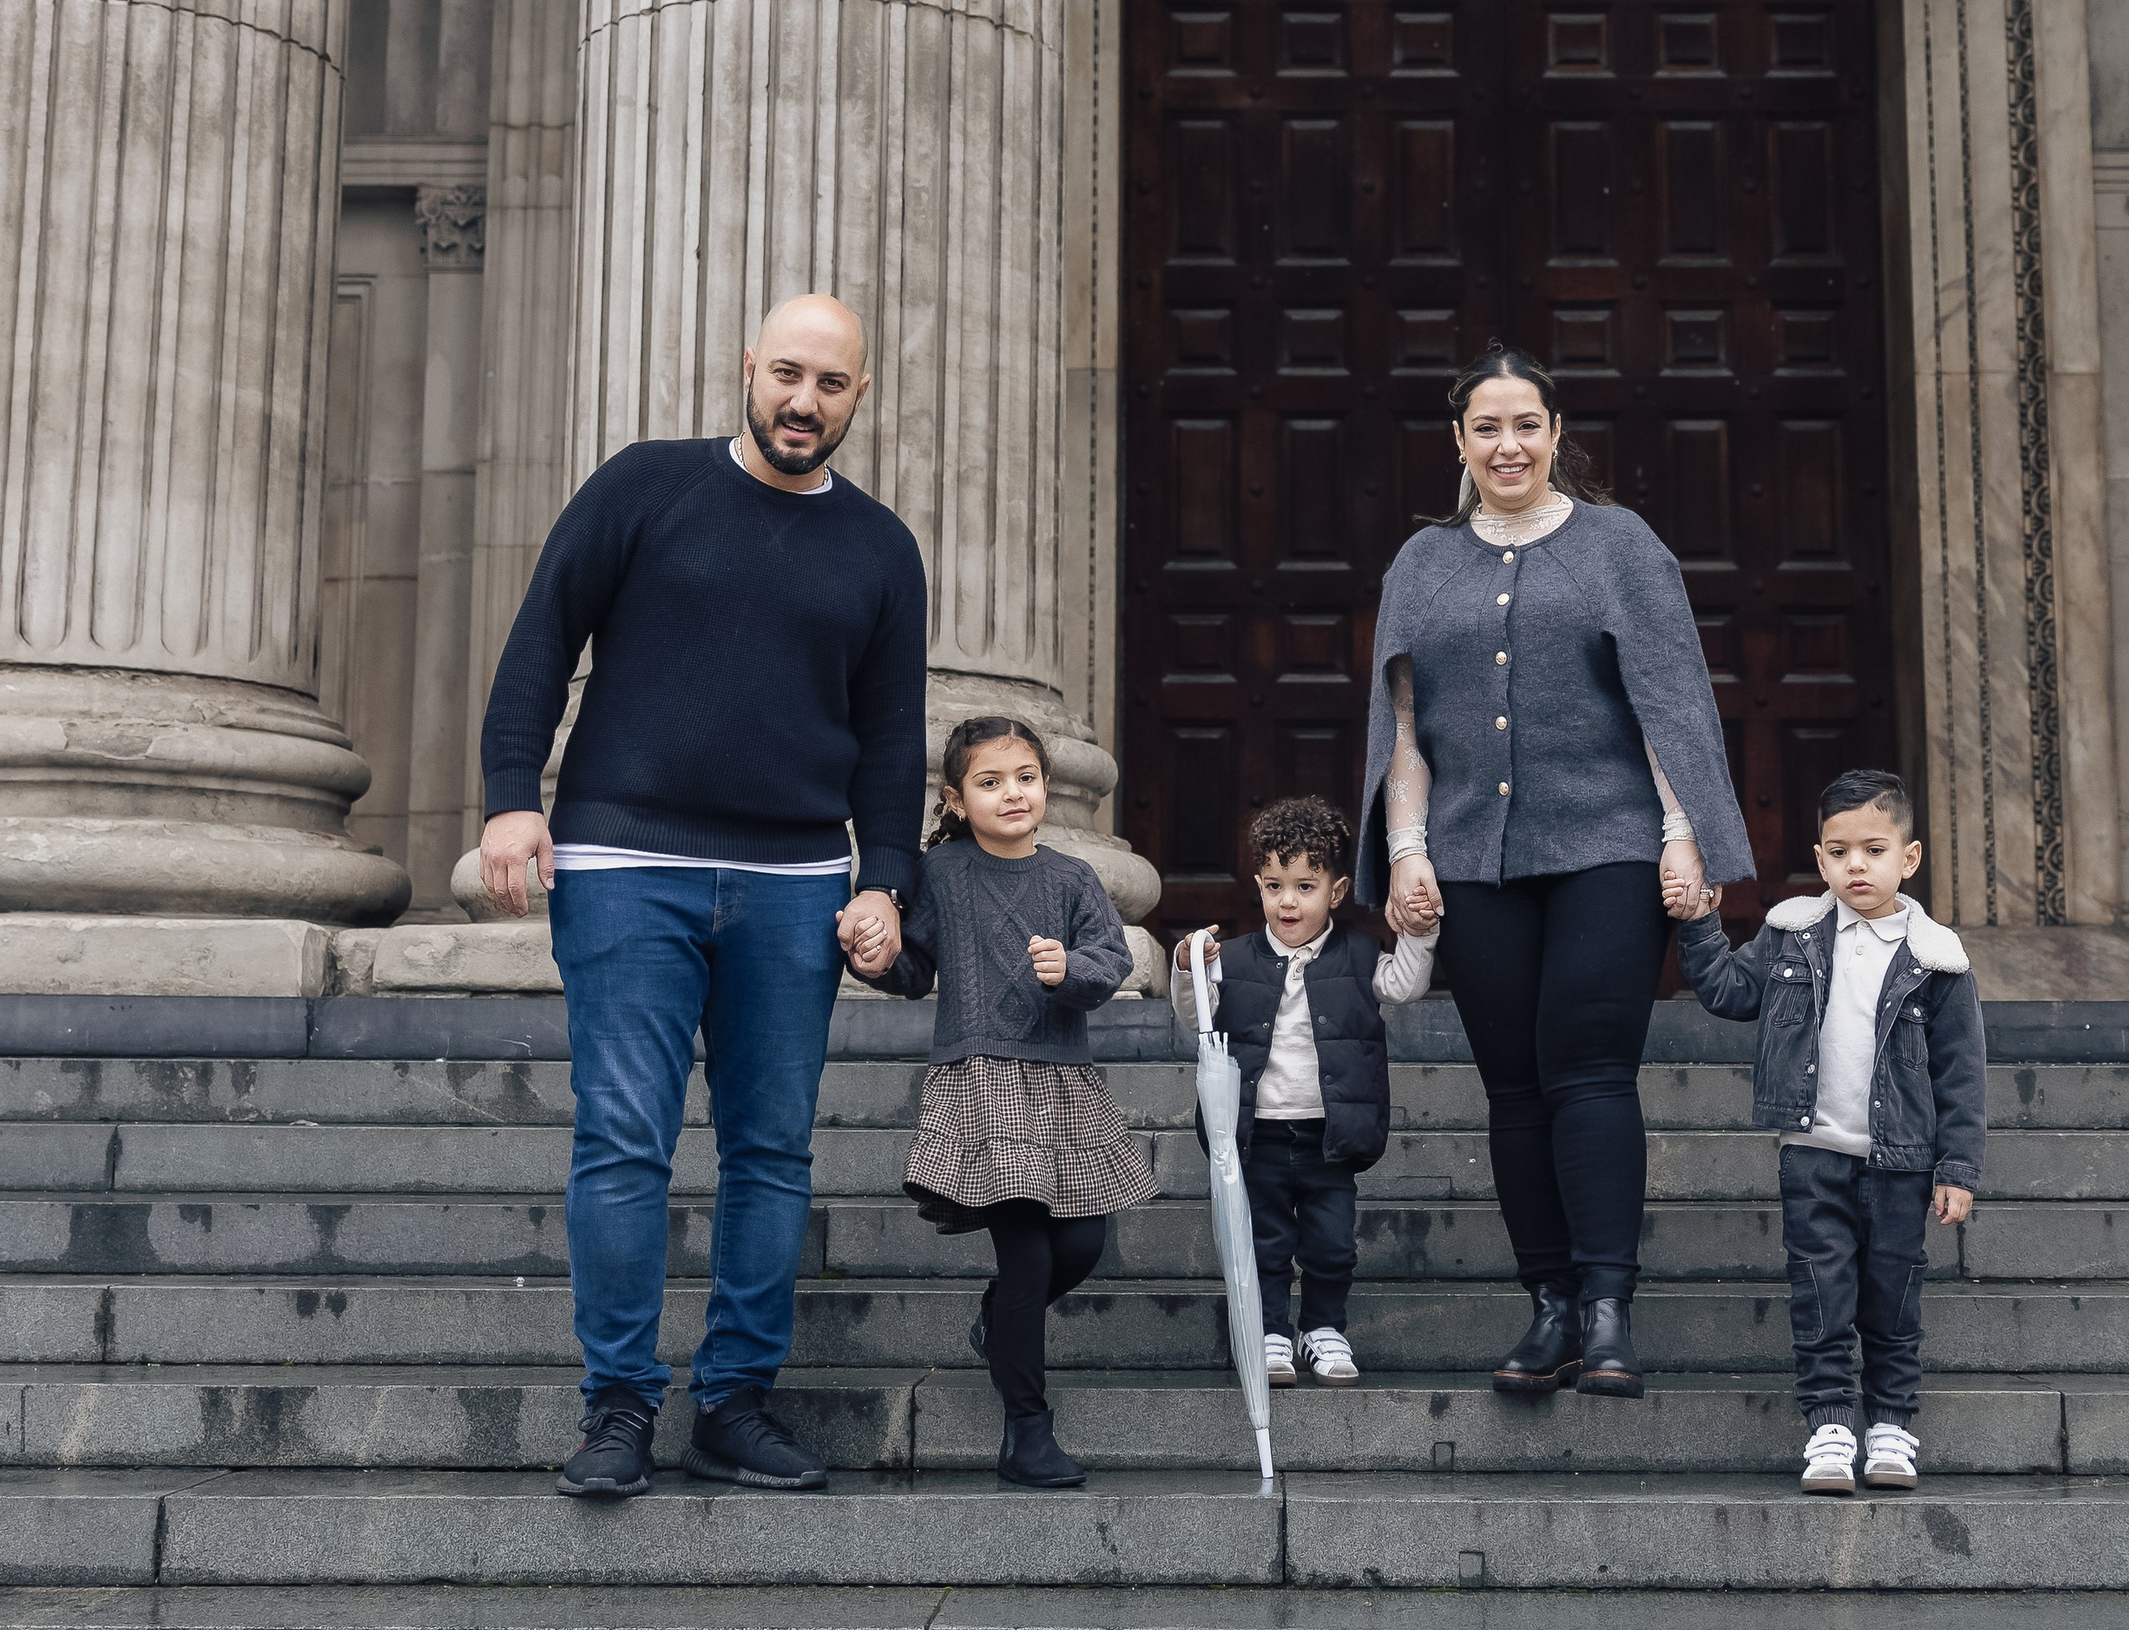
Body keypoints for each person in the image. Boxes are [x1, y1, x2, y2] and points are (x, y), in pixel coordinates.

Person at [477, 293, 926, 1504]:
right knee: (623, 1139)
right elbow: (539, 641)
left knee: (770, 1151)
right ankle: (618, 1405)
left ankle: (733, 1403)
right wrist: (513, 792)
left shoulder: (881, 548)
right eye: (787, 374)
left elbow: (891, 739)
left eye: (830, 384)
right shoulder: (644, 486)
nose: (803, 402)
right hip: (627, 863)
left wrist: (885, 876)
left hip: (794, 885)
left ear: (858, 396)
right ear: (747, 369)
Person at [1357, 346, 1753, 1400]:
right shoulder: (1421, 564)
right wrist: (1405, 853)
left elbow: (1666, 699)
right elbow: (1403, 725)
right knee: (1515, 1088)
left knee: (1586, 1069)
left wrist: (1683, 833)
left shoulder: (1618, 544)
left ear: (1554, 431)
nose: (1507, 445)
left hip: (1609, 848)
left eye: (1525, 424)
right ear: (1458, 442)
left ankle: (1609, 1308)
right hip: (1472, 861)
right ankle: (1549, 1308)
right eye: (1485, 428)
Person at [850, 716, 1151, 1491]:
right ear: (956, 796)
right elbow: (914, 967)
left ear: (1046, 786)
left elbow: (1112, 960)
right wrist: (877, 958)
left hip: (1062, 1082)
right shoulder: (941, 874)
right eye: (990, 781)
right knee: (1025, 1251)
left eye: (1025, 777)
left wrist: (1070, 967)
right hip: (984, 1080)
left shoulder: (1073, 877)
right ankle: (1027, 1430)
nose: (1012, 793)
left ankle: (996, 1323)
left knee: (1079, 1246)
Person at [1677, 766, 1986, 1493]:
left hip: (1902, 1163)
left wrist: (1957, 1168)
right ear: (1819, 860)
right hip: (1812, 1156)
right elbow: (1725, 992)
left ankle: (1890, 1425)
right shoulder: (1794, 935)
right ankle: (1828, 1424)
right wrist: (1698, 921)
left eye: (1874, 850)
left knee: (1891, 1297)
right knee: (1819, 1293)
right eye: (1839, 851)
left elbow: (1962, 1075)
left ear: (1907, 859)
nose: (1857, 865)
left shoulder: (1938, 961)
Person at [1172, 795, 1438, 1390]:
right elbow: (1199, 1019)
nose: (1287, 901)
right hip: (1258, 1129)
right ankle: (1271, 1329)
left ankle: (1323, 1328)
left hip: (1328, 1132)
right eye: (1273, 886)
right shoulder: (1234, 959)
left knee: (1331, 1243)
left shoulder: (1359, 955)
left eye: (1304, 886)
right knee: (1264, 1240)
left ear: (1337, 892)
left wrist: (1419, 933)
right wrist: (1189, 967)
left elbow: (1404, 986)